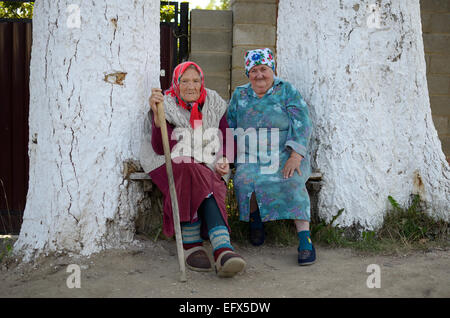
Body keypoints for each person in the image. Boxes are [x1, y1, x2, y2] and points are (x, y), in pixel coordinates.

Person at [140, 61, 246, 277]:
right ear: (176, 83)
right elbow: (161, 148)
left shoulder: (214, 101)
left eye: (195, 81)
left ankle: (214, 248)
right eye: (185, 81)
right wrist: (157, 117)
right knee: (190, 168)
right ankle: (209, 245)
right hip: (166, 160)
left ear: (202, 82)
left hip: (205, 157)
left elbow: (226, 135)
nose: (191, 86)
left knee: (201, 171)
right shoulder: (165, 103)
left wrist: (224, 157)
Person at [226, 48, 316, 265]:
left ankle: (305, 238)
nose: (259, 75)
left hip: (284, 153)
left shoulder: (286, 91)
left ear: (272, 69)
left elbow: (303, 123)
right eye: (254, 70)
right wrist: (227, 156)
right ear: (248, 72)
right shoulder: (240, 94)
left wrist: (296, 155)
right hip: (249, 155)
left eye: (264, 69)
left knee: (293, 180)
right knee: (244, 180)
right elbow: (229, 125)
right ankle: (256, 222)